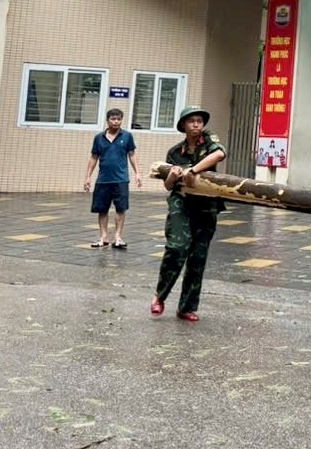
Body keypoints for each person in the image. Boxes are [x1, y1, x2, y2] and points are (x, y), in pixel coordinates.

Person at [151, 106, 227, 322]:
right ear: (183, 125)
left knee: (197, 258)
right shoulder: (175, 152)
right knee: (177, 247)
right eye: (191, 121)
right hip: (181, 203)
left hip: (206, 205)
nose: (196, 124)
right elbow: (168, 186)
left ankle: (187, 307)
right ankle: (159, 296)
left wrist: (192, 170)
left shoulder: (209, 140)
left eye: (199, 121)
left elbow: (220, 153)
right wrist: (173, 176)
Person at [83, 107, 141, 249]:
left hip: (121, 179)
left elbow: (132, 155)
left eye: (119, 119)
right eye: (113, 119)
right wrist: (88, 177)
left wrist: (137, 173)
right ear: (107, 120)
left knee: (121, 209)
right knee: (102, 209)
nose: (116, 122)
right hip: (103, 179)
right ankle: (103, 237)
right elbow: (94, 157)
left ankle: (118, 237)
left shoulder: (127, 136)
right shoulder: (99, 138)